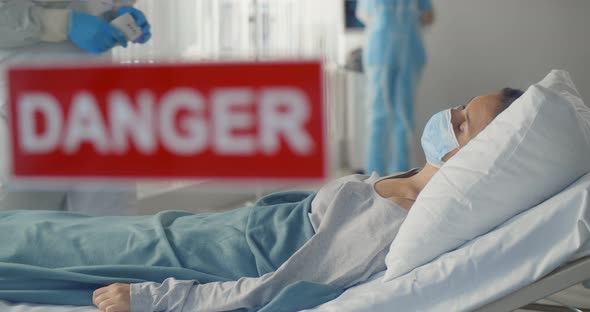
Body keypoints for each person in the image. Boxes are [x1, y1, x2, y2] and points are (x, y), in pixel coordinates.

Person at [0, 88, 524, 312]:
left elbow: (275, 287)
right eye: (458, 108)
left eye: (461, 124)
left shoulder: (399, 223)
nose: (446, 117)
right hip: (206, 229)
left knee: (41, 246)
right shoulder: (404, 180)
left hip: (205, 260)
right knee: (46, 228)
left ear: (480, 160)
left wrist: (155, 299)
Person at [0, 0, 152, 215]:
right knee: (22, 231)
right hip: (27, 103)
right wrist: (63, 24)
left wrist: (119, 11)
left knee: (111, 231)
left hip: (97, 105)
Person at [356, 0, 434, 176]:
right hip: (393, 51)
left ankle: (378, 175)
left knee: (388, 117)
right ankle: (392, 174)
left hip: (388, 50)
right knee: (397, 117)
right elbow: (428, 17)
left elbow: (365, 15)